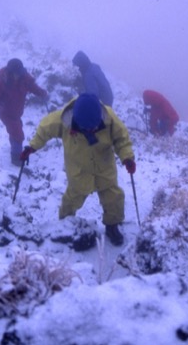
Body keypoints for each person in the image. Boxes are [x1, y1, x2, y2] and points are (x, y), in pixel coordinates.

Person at [20, 93, 135, 246]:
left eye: (94, 127)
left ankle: (112, 226)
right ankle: (64, 226)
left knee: (113, 197)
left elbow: (122, 139)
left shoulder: (109, 118)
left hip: (104, 167)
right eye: (86, 128)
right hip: (78, 170)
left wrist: (127, 157)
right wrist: (32, 147)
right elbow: (44, 130)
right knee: (71, 200)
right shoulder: (62, 120)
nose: (91, 130)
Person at [0, 58, 48, 165]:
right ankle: (16, 159)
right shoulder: (0, 81)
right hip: (5, 112)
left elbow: (32, 86)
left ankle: (14, 146)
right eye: (16, 74)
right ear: (10, 72)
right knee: (18, 135)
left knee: (15, 130)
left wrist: (41, 93)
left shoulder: (23, 77)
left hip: (17, 111)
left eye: (20, 73)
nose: (18, 76)